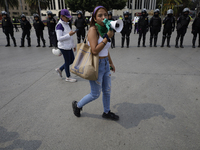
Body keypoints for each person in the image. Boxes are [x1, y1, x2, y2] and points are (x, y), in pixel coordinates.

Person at [72, 6, 119, 121]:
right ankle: (77, 105)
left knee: (107, 90)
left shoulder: (106, 29)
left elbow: (105, 50)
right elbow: (94, 50)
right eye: (100, 15)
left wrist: (111, 63)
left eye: (106, 15)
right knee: (95, 94)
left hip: (105, 64)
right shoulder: (93, 30)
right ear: (94, 18)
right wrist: (107, 37)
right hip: (96, 65)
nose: (104, 17)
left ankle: (106, 112)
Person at [55, 9, 77, 82]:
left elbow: (69, 36)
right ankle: (68, 77)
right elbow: (59, 38)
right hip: (63, 47)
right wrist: (69, 34)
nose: (68, 19)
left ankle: (60, 69)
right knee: (67, 61)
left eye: (69, 17)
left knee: (72, 60)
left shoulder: (66, 24)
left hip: (68, 46)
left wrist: (73, 45)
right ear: (62, 16)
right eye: (67, 17)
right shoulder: (59, 25)